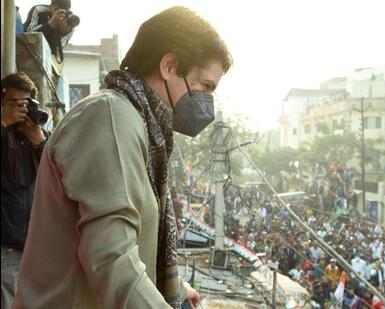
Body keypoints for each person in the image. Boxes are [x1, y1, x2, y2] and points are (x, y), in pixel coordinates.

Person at [13, 6, 231, 309]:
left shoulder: (139, 123)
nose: (207, 102)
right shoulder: (110, 117)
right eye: (205, 86)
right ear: (169, 65)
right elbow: (113, 258)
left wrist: (175, 288)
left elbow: (126, 238)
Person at [1, 72, 47, 309]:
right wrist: (3, 123)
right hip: (6, 248)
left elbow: (58, 176)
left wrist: (39, 141)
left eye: (25, 104)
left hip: (33, 248)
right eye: (13, 103)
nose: (20, 109)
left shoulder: (34, 138)